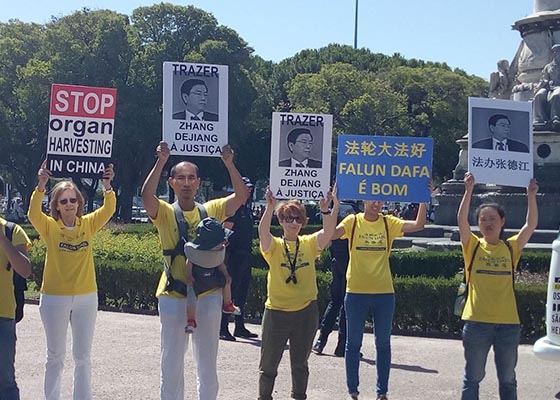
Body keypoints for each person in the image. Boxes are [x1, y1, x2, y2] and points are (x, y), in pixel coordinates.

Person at [141, 141, 246, 400]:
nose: (186, 183)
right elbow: (146, 196)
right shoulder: (165, 213)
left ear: (198, 182)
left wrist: (229, 164)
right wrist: (161, 161)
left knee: (208, 363)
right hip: (173, 294)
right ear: (172, 182)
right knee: (171, 363)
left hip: (209, 294)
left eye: (191, 178)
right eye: (181, 178)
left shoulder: (211, 210)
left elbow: (241, 197)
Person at [28, 162, 116, 400]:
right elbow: (33, 214)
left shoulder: (87, 224)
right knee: (55, 355)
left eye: (73, 200)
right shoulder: (50, 226)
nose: (69, 205)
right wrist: (42, 185)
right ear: (56, 205)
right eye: (63, 201)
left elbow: (109, 209)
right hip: (54, 297)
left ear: (79, 203)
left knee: (83, 357)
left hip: (86, 297)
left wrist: (107, 185)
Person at [332, 194, 429, 400]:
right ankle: (353, 390)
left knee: (383, 343)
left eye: (379, 200)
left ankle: (382, 391)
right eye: (371, 199)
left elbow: (419, 225)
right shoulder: (353, 221)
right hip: (356, 291)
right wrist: (334, 206)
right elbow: (331, 233)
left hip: (384, 293)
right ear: (363, 201)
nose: (376, 204)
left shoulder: (389, 223)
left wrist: (422, 197)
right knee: (353, 343)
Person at [457, 172, 538, 400]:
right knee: (472, 378)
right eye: (483, 219)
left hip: (508, 325)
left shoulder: (511, 248)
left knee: (508, 379)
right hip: (476, 323)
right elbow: (461, 221)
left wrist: (531, 195)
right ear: (478, 224)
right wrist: (468, 190)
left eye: (493, 218)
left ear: (502, 222)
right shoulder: (472, 246)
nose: (488, 223)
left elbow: (531, 225)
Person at [257, 186, 338, 400]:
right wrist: (269, 207)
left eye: (297, 219)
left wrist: (326, 211)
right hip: (276, 312)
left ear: (302, 222)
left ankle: (299, 396)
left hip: (305, 312)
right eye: (288, 218)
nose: (293, 223)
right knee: (268, 366)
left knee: (300, 365)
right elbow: (263, 233)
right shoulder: (274, 245)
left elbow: (329, 233)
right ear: (281, 221)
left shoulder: (309, 243)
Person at [313, 200, 360, 357]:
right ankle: (342, 345)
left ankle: (320, 341)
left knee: (334, 302)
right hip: (350, 261)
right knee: (348, 304)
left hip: (336, 260)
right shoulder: (354, 212)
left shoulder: (335, 208)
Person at [184, 217, 240, 334]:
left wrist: (226, 275)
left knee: (226, 282)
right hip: (197, 279)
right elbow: (189, 262)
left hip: (213, 277)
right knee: (191, 295)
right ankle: (191, 320)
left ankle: (227, 304)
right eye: (222, 241)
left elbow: (220, 264)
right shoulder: (195, 252)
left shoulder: (218, 251)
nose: (224, 243)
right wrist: (188, 275)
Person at [219, 177, 258, 341]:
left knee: (242, 292)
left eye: (249, 188)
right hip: (234, 254)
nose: (248, 191)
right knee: (231, 291)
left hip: (245, 253)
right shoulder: (233, 209)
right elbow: (226, 233)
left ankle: (239, 326)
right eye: (245, 188)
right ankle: (223, 327)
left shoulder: (246, 209)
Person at [0, 217, 31, 400]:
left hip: (3, 315)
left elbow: (25, 270)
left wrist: (3, 241)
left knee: (5, 383)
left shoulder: (12, 231)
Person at [533, 43, 560, 130]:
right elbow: (544, 79)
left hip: (558, 86)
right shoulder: (548, 66)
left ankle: (555, 118)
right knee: (539, 95)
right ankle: (539, 119)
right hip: (549, 87)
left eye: (558, 51)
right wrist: (538, 88)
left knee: (556, 95)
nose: (556, 53)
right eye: (554, 52)